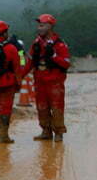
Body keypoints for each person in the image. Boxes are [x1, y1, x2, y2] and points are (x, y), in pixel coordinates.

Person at [22, 14, 70, 142]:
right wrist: (19, 77)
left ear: (50, 26)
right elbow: (29, 63)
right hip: (39, 82)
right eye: (38, 25)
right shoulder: (36, 43)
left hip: (55, 82)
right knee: (41, 107)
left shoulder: (59, 44)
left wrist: (53, 56)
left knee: (57, 107)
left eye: (42, 25)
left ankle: (59, 132)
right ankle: (46, 131)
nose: (39, 28)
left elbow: (66, 63)